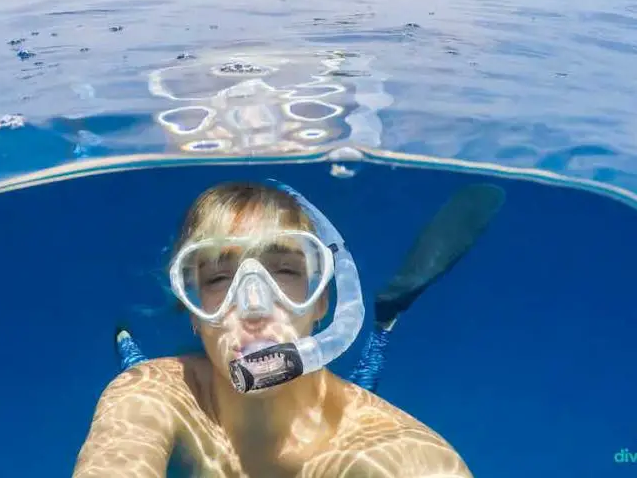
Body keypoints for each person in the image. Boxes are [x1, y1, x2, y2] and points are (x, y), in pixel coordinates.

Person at [73, 180, 503, 477]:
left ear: (322, 302)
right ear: (193, 312)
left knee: (366, 378)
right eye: (219, 280)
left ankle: (386, 318)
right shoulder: (151, 394)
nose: (254, 308)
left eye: (284, 272)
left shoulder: (409, 457)